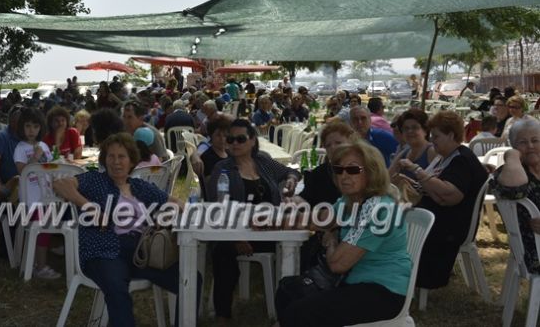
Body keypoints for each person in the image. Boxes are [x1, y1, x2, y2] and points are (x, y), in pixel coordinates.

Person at [52, 133, 197, 327]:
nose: (116, 162)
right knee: (117, 289)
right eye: (111, 156)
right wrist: (87, 205)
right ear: (104, 159)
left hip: (141, 252)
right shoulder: (95, 180)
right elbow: (60, 184)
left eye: (122, 157)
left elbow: (177, 203)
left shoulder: (140, 186)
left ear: (131, 161)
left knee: (191, 279)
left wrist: (167, 215)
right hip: (103, 251)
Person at [276, 140, 411, 327]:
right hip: (354, 281)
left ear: (371, 172)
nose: (344, 176)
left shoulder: (379, 209)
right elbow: (316, 220)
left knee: (299, 313)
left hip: (382, 291)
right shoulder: (349, 200)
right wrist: (271, 221)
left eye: (353, 170)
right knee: (287, 290)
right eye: (339, 170)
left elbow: (337, 264)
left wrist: (331, 240)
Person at [205, 119, 300, 323]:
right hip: (235, 232)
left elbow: (291, 171)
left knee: (300, 247)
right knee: (222, 252)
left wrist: (290, 181)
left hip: (270, 231)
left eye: (241, 139)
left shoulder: (263, 161)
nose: (235, 144)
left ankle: (289, 311)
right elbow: (217, 207)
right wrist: (238, 238)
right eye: (231, 140)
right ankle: (223, 315)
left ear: (252, 140)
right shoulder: (222, 169)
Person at [397, 111, 487, 290]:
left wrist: (417, 170)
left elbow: (449, 197)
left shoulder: (461, 160)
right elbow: (437, 193)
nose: (433, 140)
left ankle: (402, 278)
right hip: (443, 218)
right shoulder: (447, 158)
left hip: (450, 226)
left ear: (451, 135)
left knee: (396, 223)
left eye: (436, 136)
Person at [12, 107, 59, 279]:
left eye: (35, 126)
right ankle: (39, 266)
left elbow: (51, 168)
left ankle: (35, 263)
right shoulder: (20, 148)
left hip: (46, 197)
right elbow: (23, 172)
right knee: (40, 230)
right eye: (28, 126)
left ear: (41, 128)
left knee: (45, 231)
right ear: (21, 128)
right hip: (31, 200)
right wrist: (35, 157)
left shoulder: (44, 146)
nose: (31, 130)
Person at [491, 118, 540, 273]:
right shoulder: (508, 171)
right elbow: (515, 190)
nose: (530, 146)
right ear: (513, 145)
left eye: (535, 140)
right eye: (523, 142)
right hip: (533, 248)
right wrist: (511, 155)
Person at [388, 109, 437, 175]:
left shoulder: (432, 151)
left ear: (425, 130)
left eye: (415, 127)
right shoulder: (404, 152)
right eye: (406, 128)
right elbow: (388, 177)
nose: (410, 131)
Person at [0, 105, 23, 183]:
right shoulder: (1, 137)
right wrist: (0, 185)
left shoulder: (28, 137)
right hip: (10, 184)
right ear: (11, 122)